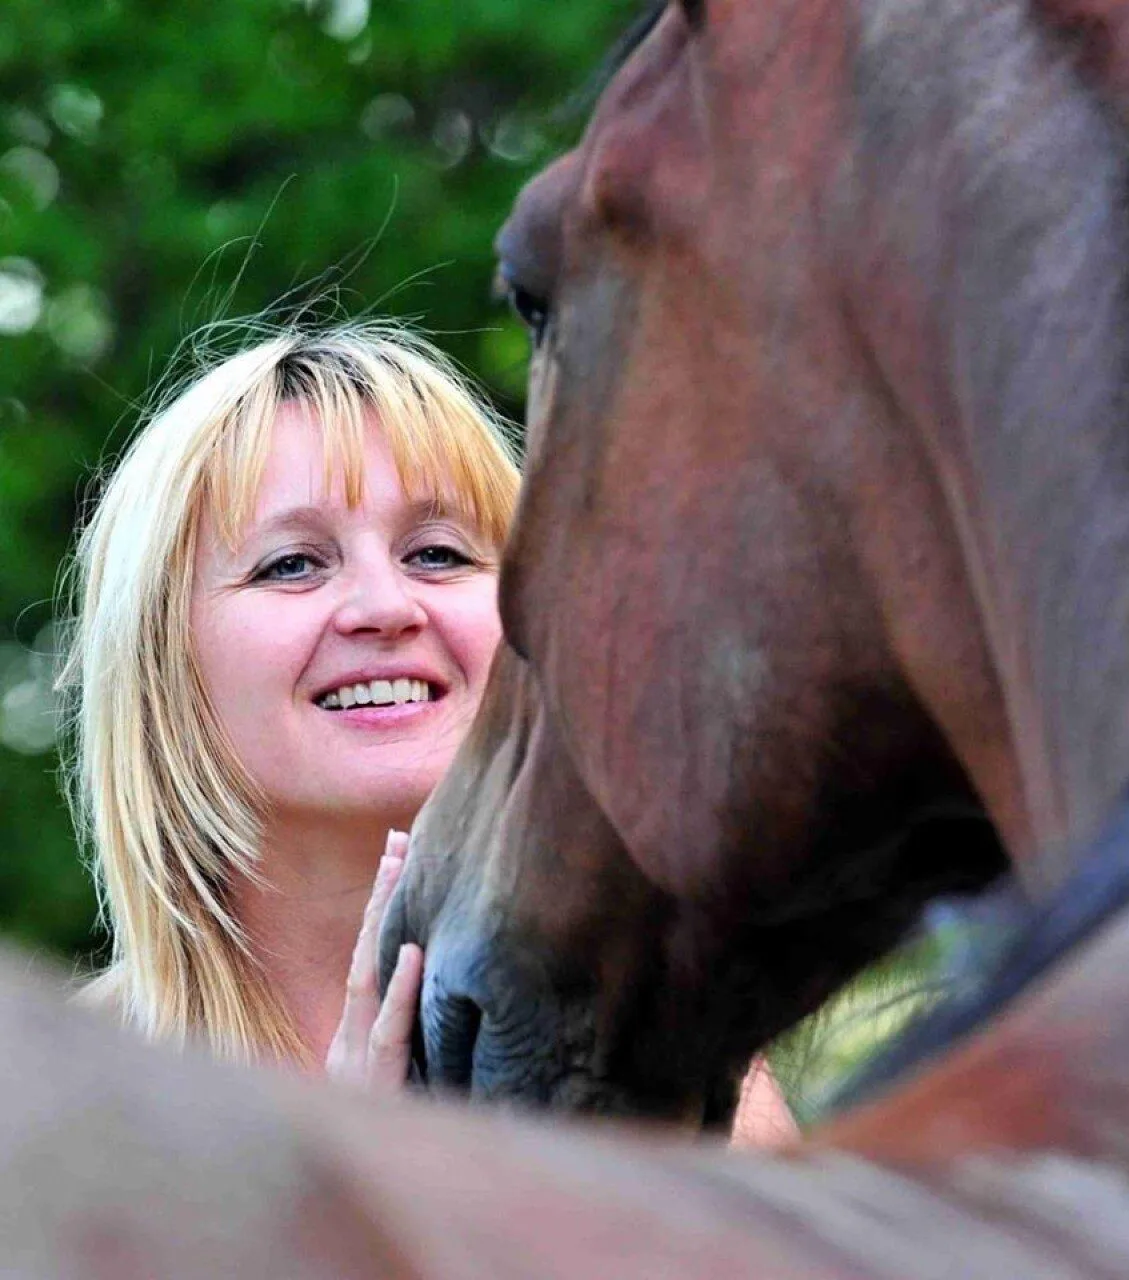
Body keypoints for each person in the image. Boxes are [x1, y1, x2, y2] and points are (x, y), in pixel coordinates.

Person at [60, 319, 794, 1140]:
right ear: (159, 662)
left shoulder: (655, 1066)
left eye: (438, 554)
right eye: (292, 564)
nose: (385, 606)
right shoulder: (56, 1117)